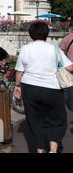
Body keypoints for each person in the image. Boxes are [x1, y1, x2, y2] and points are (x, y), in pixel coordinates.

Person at [14, 21, 73, 153]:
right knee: (57, 119)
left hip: (30, 88)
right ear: (47, 34)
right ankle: (53, 149)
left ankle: (40, 150)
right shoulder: (54, 49)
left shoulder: (25, 49)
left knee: (34, 120)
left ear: (31, 35)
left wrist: (17, 86)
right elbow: (69, 67)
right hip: (52, 88)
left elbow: (19, 71)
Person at [61, 30, 73, 109]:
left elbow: (61, 53)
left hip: (70, 66)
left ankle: (72, 105)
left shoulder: (67, 38)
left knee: (71, 87)